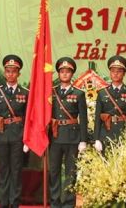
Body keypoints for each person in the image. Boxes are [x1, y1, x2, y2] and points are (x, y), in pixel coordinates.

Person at [0, 55, 29, 208]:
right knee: (4, 169)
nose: (11, 74)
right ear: (4, 73)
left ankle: (15, 202)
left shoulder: (25, 93)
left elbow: (27, 117)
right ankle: (4, 201)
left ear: (18, 73)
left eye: (14, 71)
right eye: (8, 71)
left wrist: (26, 138)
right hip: (1, 135)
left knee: (16, 170)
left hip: (18, 135)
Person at [49, 57, 87, 208]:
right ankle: (55, 202)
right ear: (58, 73)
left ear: (72, 74)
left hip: (72, 137)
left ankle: (69, 203)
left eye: (68, 72)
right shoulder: (51, 93)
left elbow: (83, 118)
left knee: (71, 173)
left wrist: (83, 140)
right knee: (54, 172)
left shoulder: (79, 93)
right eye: (62, 71)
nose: (65, 74)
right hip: (55, 136)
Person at [94, 55, 126, 152]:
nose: (115, 74)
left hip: (124, 132)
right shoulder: (102, 92)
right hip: (105, 133)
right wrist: (96, 139)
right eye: (113, 71)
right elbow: (97, 118)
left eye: (119, 71)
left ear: (124, 73)